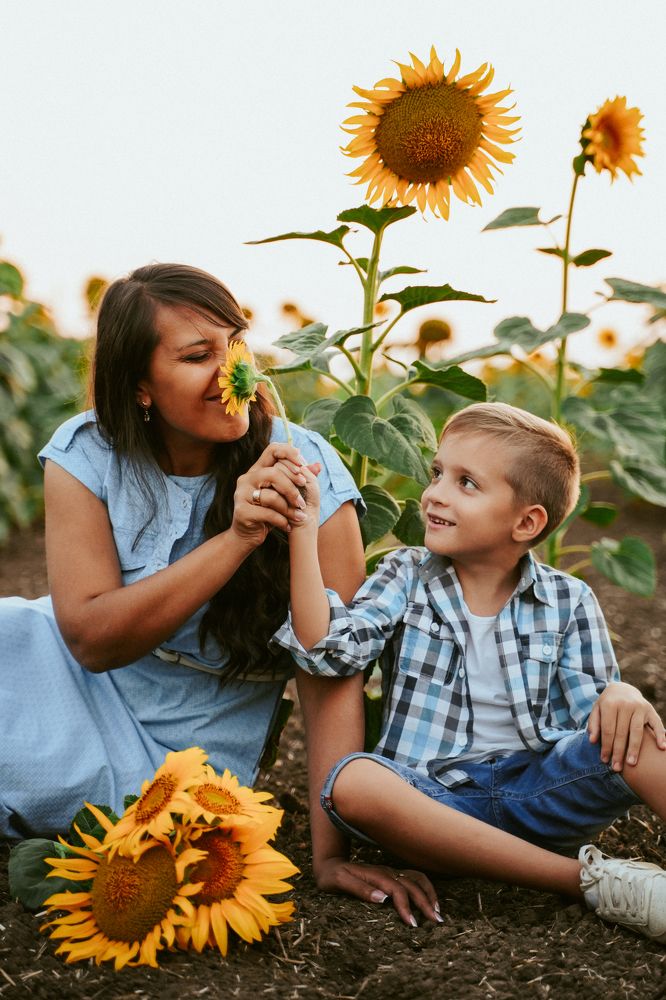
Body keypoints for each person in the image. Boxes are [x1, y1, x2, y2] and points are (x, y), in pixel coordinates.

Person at [0, 262, 438, 919]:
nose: (233, 369)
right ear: (140, 385)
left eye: (236, 344)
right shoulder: (89, 453)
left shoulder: (304, 467)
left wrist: (331, 853)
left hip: (184, 755)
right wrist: (235, 538)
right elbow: (90, 640)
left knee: (125, 831)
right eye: (198, 354)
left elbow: (332, 670)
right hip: (59, 672)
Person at [275, 401, 666, 939]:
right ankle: (593, 882)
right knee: (354, 782)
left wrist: (619, 693)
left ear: (526, 522)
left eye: (466, 483)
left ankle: (566, 870)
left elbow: (595, 723)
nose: (435, 492)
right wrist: (301, 529)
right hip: (433, 804)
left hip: (538, 797)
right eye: (438, 473)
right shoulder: (406, 575)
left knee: (642, 732)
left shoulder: (568, 599)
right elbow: (329, 650)